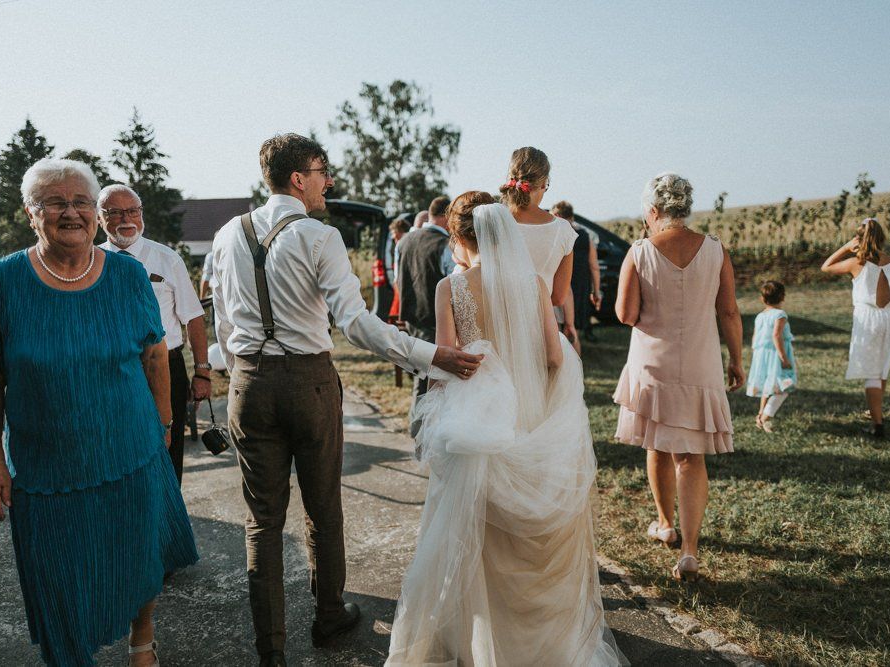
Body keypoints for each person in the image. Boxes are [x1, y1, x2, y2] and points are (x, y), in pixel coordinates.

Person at [209, 135, 482, 666]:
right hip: (308, 383)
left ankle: (270, 652)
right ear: (298, 179)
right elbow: (355, 323)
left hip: (247, 383)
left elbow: (222, 316)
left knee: (261, 521)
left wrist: (236, 369)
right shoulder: (318, 236)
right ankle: (329, 618)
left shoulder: (225, 235)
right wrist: (432, 356)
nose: (328, 181)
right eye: (322, 171)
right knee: (322, 509)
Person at [0, 158, 198, 666]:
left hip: (131, 449)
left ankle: (142, 642)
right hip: (46, 467)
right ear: (32, 214)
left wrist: (162, 424)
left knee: (140, 557)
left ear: (96, 213)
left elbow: (155, 353)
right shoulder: (1, 282)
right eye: (55, 202)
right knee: (58, 577)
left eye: (81, 202)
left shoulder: (127, 275)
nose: (70, 212)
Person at [386, 200, 627, 666]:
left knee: (476, 536)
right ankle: (542, 644)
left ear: (459, 240)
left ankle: (483, 645)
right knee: (531, 544)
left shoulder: (451, 289)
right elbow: (554, 358)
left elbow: (442, 369)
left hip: (477, 430)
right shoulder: (534, 284)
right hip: (532, 422)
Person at [613, 173, 743, 582]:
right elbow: (729, 311)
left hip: (653, 365)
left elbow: (626, 315)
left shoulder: (638, 252)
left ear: (653, 211)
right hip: (701, 362)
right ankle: (689, 551)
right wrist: (736, 359)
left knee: (657, 443)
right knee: (692, 456)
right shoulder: (716, 251)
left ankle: (664, 523)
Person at [97, 184, 211, 485]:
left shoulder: (166, 259)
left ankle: (168, 523)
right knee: (116, 450)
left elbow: (194, 317)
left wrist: (202, 372)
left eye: (133, 210)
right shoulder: (90, 262)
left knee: (167, 449)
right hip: (111, 370)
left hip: (166, 367)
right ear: (99, 219)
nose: (127, 218)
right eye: (116, 212)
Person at [821, 218, 890, 437]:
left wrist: (845, 247)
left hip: (868, 319)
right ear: (882, 238)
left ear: (859, 239)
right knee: (882, 366)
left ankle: (877, 424)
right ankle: (876, 411)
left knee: (872, 372)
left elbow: (825, 267)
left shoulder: (856, 263)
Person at [501, 148, 576, 330]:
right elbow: (558, 297)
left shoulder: (494, 221)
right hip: (539, 326)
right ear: (543, 183)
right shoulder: (563, 230)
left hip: (498, 325)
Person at [397, 195, 454, 423]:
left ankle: (418, 425)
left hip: (411, 317)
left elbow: (398, 278)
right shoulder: (445, 247)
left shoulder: (405, 241)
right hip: (433, 321)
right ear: (446, 217)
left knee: (421, 374)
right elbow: (454, 285)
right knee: (429, 379)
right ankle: (420, 428)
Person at [745, 281, 798, 433]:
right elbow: (776, 335)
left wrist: (757, 355)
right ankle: (765, 417)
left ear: (762, 299)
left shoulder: (760, 316)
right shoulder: (780, 315)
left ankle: (761, 414)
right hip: (776, 354)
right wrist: (783, 357)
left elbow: (756, 337)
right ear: (783, 297)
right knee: (784, 386)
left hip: (761, 354)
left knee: (768, 386)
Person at [551, 200, 601, 344]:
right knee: (574, 327)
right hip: (581, 285)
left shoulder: (557, 236)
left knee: (559, 328)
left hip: (561, 284)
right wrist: (596, 291)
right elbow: (594, 266)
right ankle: (575, 359)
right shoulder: (585, 236)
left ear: (558, 216)